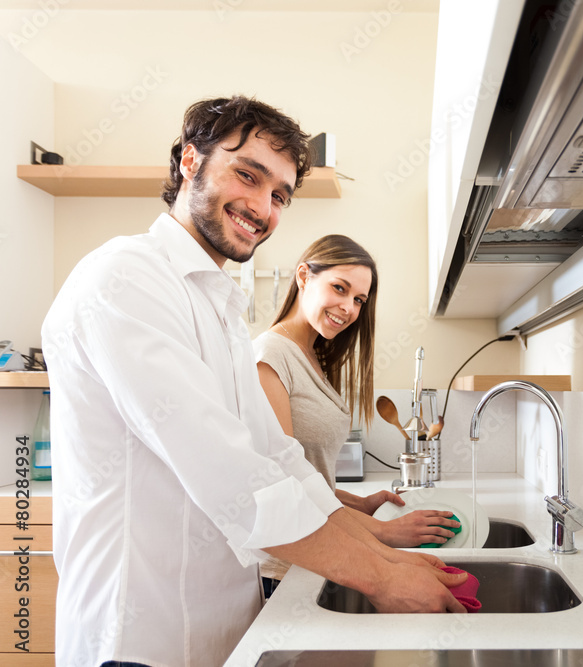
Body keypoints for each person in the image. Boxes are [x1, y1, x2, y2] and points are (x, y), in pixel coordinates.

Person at [41, 95, 467, 667]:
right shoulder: (125, 279)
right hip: (137, 641)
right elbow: (230, 477)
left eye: (280, 195)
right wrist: (379, 577)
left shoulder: (222, 308)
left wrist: (384, 554)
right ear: (190, 160)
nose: (263, 207)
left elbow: (277, 458)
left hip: (221, 636)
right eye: (248, 175)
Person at [253, 234, 460, 590]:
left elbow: (310, 476)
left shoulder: (312, 357)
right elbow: (286, 487)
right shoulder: (269, 356)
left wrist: (359, 504)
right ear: (304, 276)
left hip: (325, 551)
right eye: (339, 288)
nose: (348, 307)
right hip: (290, 569)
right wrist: (383, 531)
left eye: (359, 299)